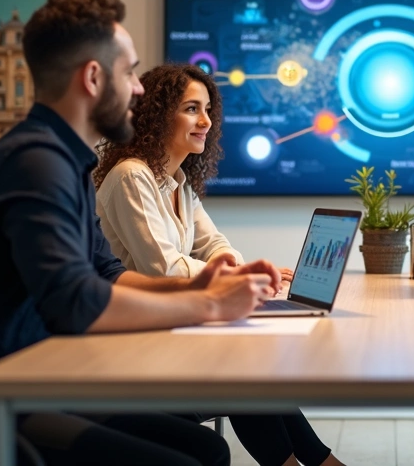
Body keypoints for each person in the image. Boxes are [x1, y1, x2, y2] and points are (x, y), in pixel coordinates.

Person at [0, 0, 282, 466]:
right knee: (192, 460)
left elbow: (107, 273)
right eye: (129, 73)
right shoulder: (35, 164)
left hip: (32, 385)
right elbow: (75, 303)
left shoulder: (64, 161)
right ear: (93, 78)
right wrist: (207, 304)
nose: (139, 90)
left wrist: (199, 283)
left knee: (206, 448)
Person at [94, 63, 344, 466]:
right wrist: (237, 277)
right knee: (247, 374)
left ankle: (316, 463)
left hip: (169, 331)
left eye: (208, 109)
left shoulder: (176, 183)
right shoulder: (130, 177)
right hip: (136, 348)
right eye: (192, 108)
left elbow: (215, 244)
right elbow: (166, 270)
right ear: (157, 114)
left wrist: (238, 269)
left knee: (252, 371)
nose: (206, 121)